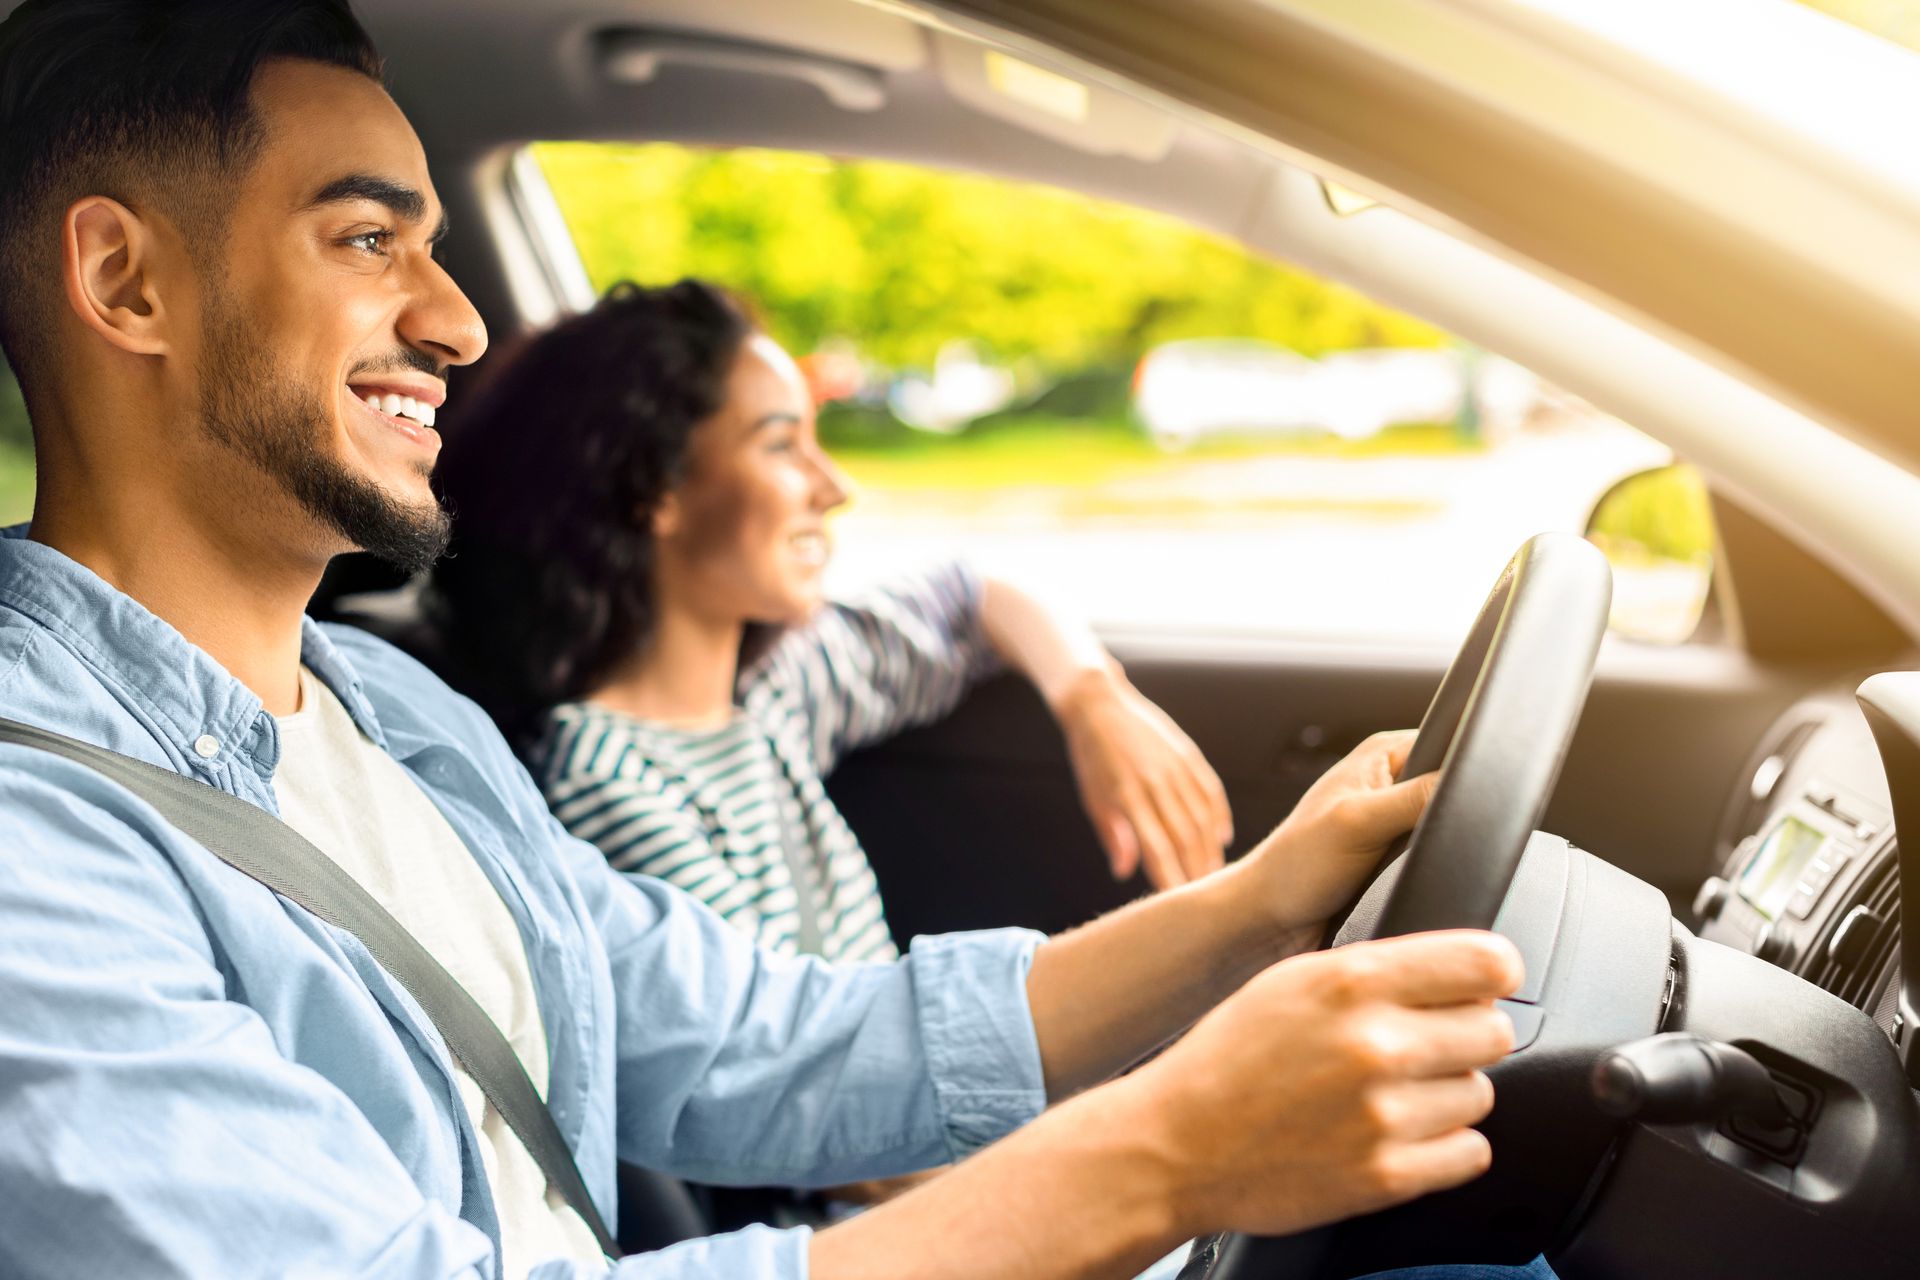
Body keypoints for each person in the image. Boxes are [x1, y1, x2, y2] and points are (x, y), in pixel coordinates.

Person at [0, 2, 1540, 1278]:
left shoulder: (393, 712)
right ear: (127, 282)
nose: (459, 324)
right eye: (364, 243)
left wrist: (1254, 913)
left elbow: (761, 1039)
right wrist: (1166, 1157)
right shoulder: (32, 843)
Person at [429, 280, 1234, 969]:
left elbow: (972, 593)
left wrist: (1094, 700)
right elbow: (806, 1081)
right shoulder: (606, 784)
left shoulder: (770, 697)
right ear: (653, 492)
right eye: (783, 447)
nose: (834, 485)